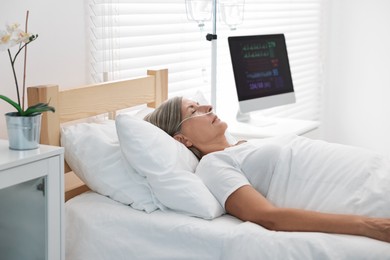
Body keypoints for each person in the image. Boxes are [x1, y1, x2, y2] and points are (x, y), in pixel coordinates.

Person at [144, 96, 390, 243]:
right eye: (193, 110)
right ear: (182, 140)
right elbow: (267, 217)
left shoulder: (242, 144)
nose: (207, 106)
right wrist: (367, 225)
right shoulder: (214, 165)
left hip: (377, 170)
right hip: (371, 194)